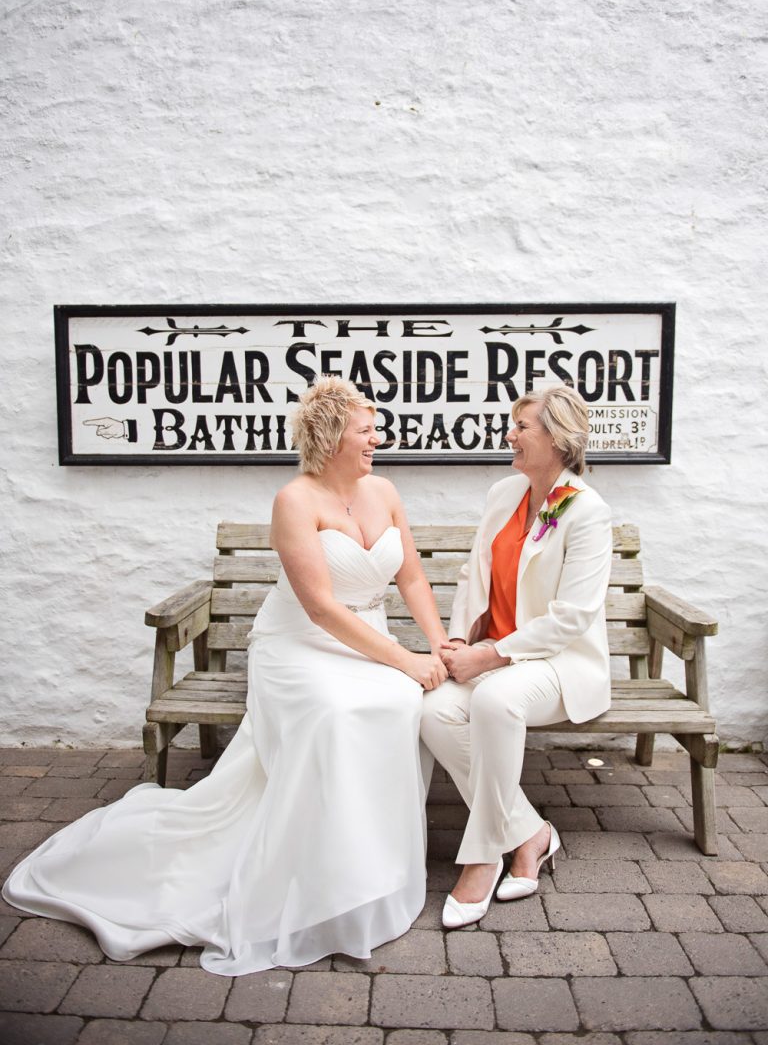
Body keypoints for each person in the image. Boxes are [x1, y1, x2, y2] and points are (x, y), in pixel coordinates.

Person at [4, 377, 449, 973]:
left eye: (375, 429)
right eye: (366, 430)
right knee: (337, 713)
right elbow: (320, 608)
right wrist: (406, 661)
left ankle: (375, 869)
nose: (378, 439)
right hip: (299, 646)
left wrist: (440, 645)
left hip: (368, 638)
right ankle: (318, 883)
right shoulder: (294, 500)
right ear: (330, 435)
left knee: (398, 704)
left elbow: (412, 578)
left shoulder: (386, 491)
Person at [420, 385, 613, 929]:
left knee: (497, 701)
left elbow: (572, 617)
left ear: (558, 439)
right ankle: (530, 834)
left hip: (557, 663)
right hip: (491, 652)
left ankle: (481, 858)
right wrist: (459, 641)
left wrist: (494, 656)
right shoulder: (505, 493)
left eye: (522, 427)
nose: (510, 434)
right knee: (432, 711)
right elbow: (473, 575)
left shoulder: (586, 510)